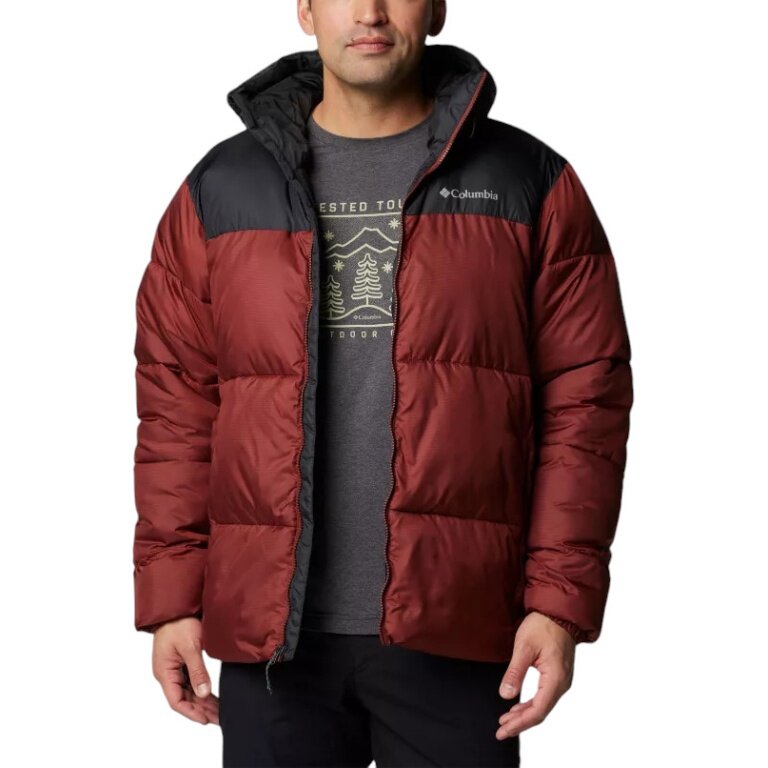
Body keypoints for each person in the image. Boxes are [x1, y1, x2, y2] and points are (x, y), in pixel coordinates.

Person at [131, 1, 634, 765]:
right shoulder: (222, 190)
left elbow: (584, 407)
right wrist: (171, 601)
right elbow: (177, 406)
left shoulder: (527, 182)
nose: (369, 12)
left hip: (461, 629)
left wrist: (558, 604)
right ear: (306, 10)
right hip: (273, 641)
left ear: (435, 8)